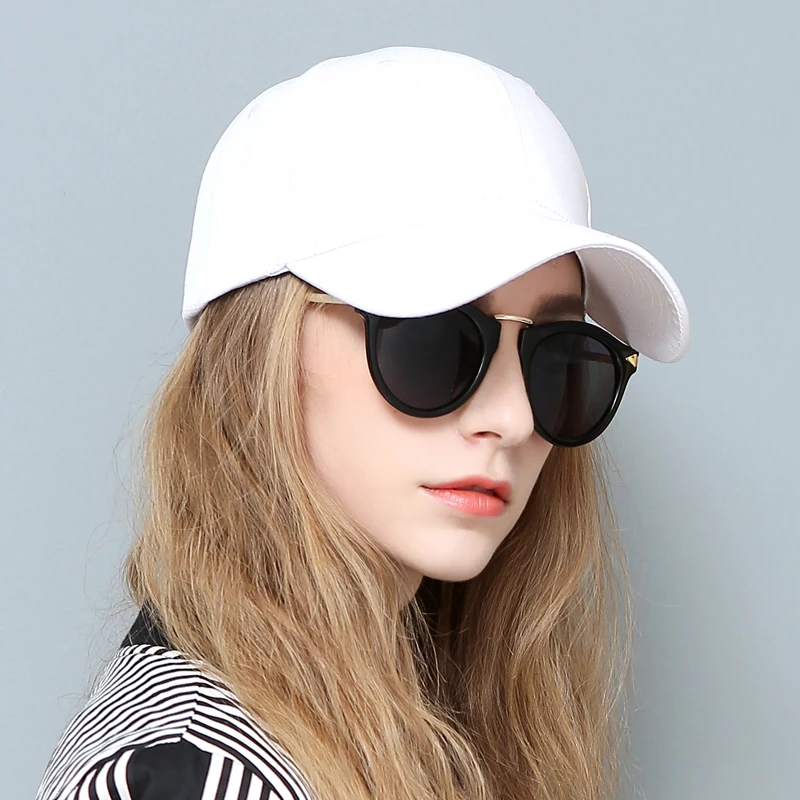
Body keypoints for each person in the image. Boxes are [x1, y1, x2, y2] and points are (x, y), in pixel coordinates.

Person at [36, 45, 690, 800]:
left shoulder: (405, 721)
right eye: (432, 338)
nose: (513, 418)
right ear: (262, 361)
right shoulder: (194, 778)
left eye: (559, 356)